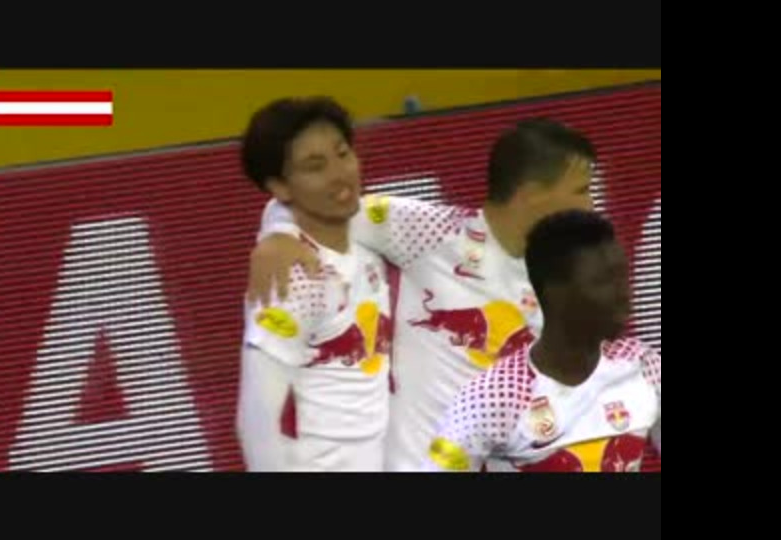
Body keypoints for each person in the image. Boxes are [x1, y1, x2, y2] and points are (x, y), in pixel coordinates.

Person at [248, 119, 599, 471]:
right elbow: (313, 208)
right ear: (532, 195)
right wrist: (278, 233)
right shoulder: (429, 232)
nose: (591, 206)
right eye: (581, 190)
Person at [427, 210, 661, 472]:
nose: (624, 295)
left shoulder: (644, 366)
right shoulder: (492, 399)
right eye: (603, 281)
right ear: (555, 294)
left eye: (622, 277)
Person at [236, 96, 393, 471]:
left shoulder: (369, 238)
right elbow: (257, 420)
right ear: (280, 186)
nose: (340, 174)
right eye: (315, 166)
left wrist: (276, 227)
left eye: (342, 154)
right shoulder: (293, 282)